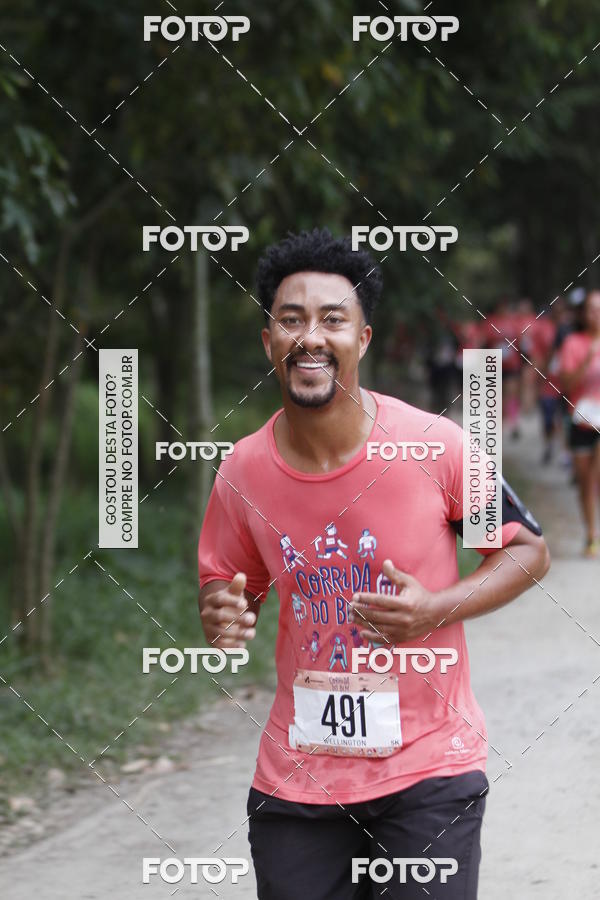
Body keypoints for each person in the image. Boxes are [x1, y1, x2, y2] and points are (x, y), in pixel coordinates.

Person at [196, 229, 550, 899]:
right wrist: (223, 613)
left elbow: (527, 550)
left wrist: (432, 609)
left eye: (333, 319)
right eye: (291, 319)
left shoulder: (432, 445)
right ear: (268, 339)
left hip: (429, 770)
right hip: (298, 780)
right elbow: (231, 588)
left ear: (362, 339)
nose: (311, 336)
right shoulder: (242, 471)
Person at [559, 289, 600, 557]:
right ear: (584, 314)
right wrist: (587, 359)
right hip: (581, 420)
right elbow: (566, 384)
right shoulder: (573, 343)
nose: (596, 315)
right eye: (592, 310)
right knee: (585, 481)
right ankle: (590, 534)